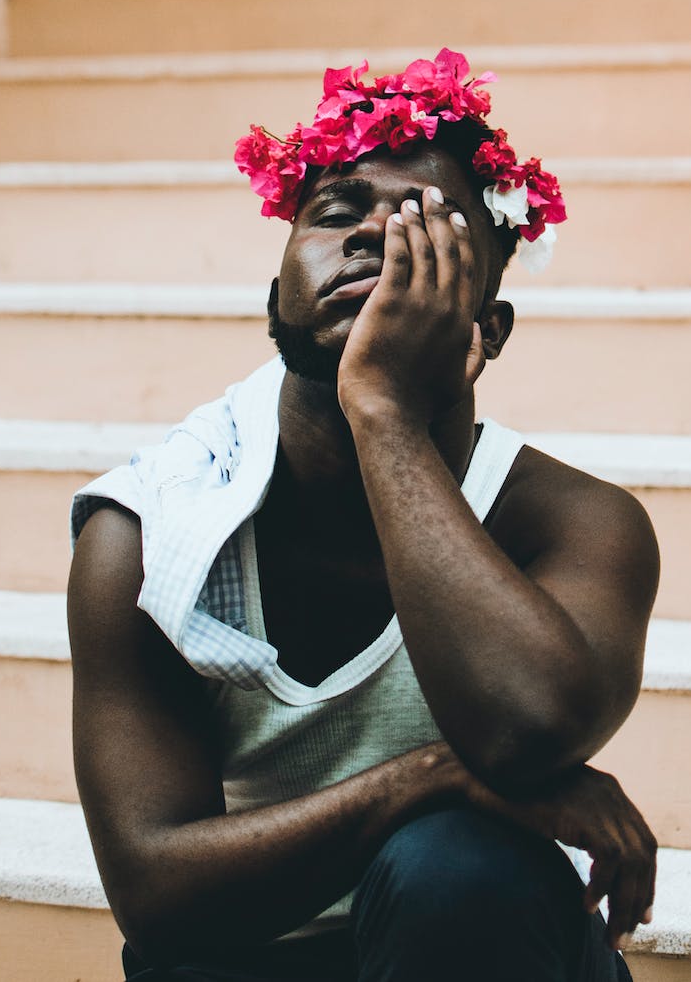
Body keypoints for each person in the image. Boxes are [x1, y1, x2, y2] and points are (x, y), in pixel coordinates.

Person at [68, 50, 660, 982]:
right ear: (275, 300)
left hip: (480, 940)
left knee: (463, 867)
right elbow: (154, 896)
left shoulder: (574, 522)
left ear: (489, 330)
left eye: (429, 224)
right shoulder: (144, 530)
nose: (377, 236)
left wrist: (381, 412)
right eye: (336, 214)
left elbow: (529, 733)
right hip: (249, 957)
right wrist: (436, 777)